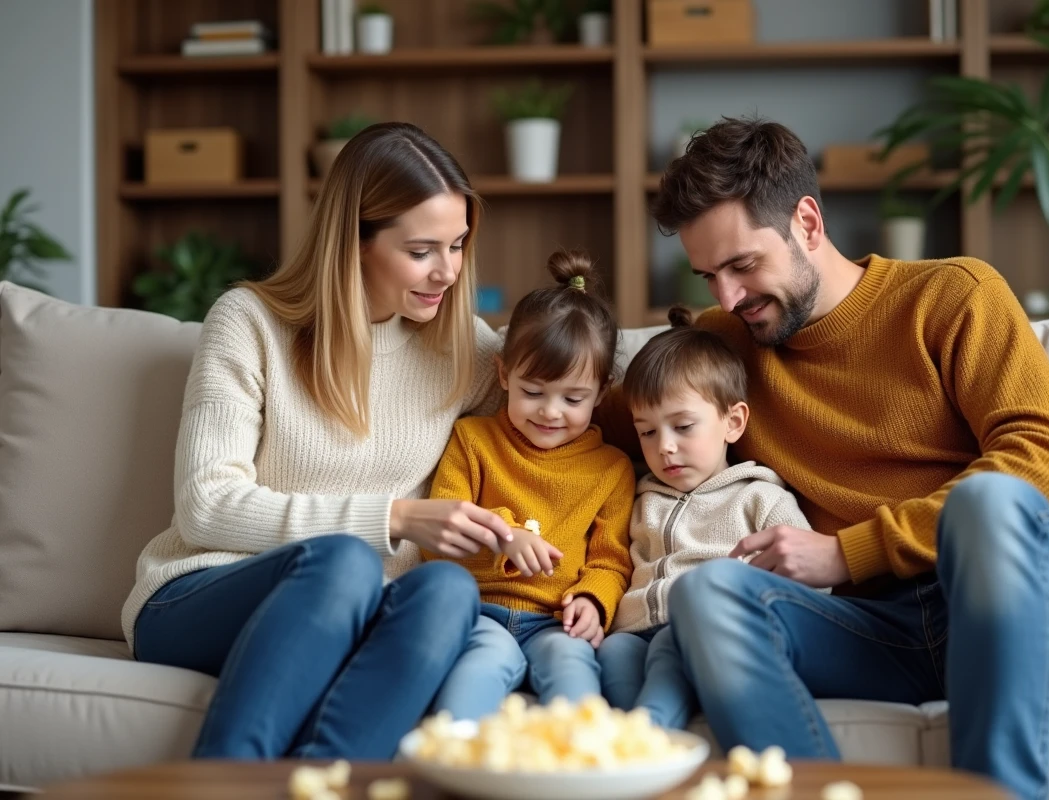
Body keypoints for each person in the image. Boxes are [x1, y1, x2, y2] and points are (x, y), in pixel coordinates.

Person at [614, 116, 1049, 800]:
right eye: (709, 275)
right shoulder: (722, 349)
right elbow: (573, 420)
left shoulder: (952, 296)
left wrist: (848, 553)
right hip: (876, 630)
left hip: (1030, 602)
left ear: (807, 221)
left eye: (743, 265)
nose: (728, 298)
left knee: (988, 501)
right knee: (710, 593)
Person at [123, 122, 518, 760]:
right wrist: (393, 517)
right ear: (354, 242)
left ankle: (320, 782)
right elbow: (206, 505)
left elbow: (571, 407)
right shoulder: (249, 324)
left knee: (448, 592)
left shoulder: (462, 348)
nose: (447, 272)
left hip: (367, 605)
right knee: (342, 561)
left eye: (459, 245)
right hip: (198, 593)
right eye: (421, 250)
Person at [423, 249, 635, 721]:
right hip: (481, 615)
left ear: (602, 392)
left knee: (575, 677)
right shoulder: (472, 440)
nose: (550, 412)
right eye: (533, 392)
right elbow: (439, 529)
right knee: (476, 672)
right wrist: (504, 534)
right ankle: (456, 764)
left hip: (555, 623)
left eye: (573, 398)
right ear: (503, 374)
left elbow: (611, 559)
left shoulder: (611, 469)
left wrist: (592, 601)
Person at [597, 307, 815, 730]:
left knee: (665, 649)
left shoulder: (759, 497)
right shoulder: (639, 498)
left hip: (704, 634)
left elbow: (808, 576)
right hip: (632, 630)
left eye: (683, 427)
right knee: (611, 654)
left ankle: (652, 733)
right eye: (647, 432)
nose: (665, 447)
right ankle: (624, 738)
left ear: (733, 422)